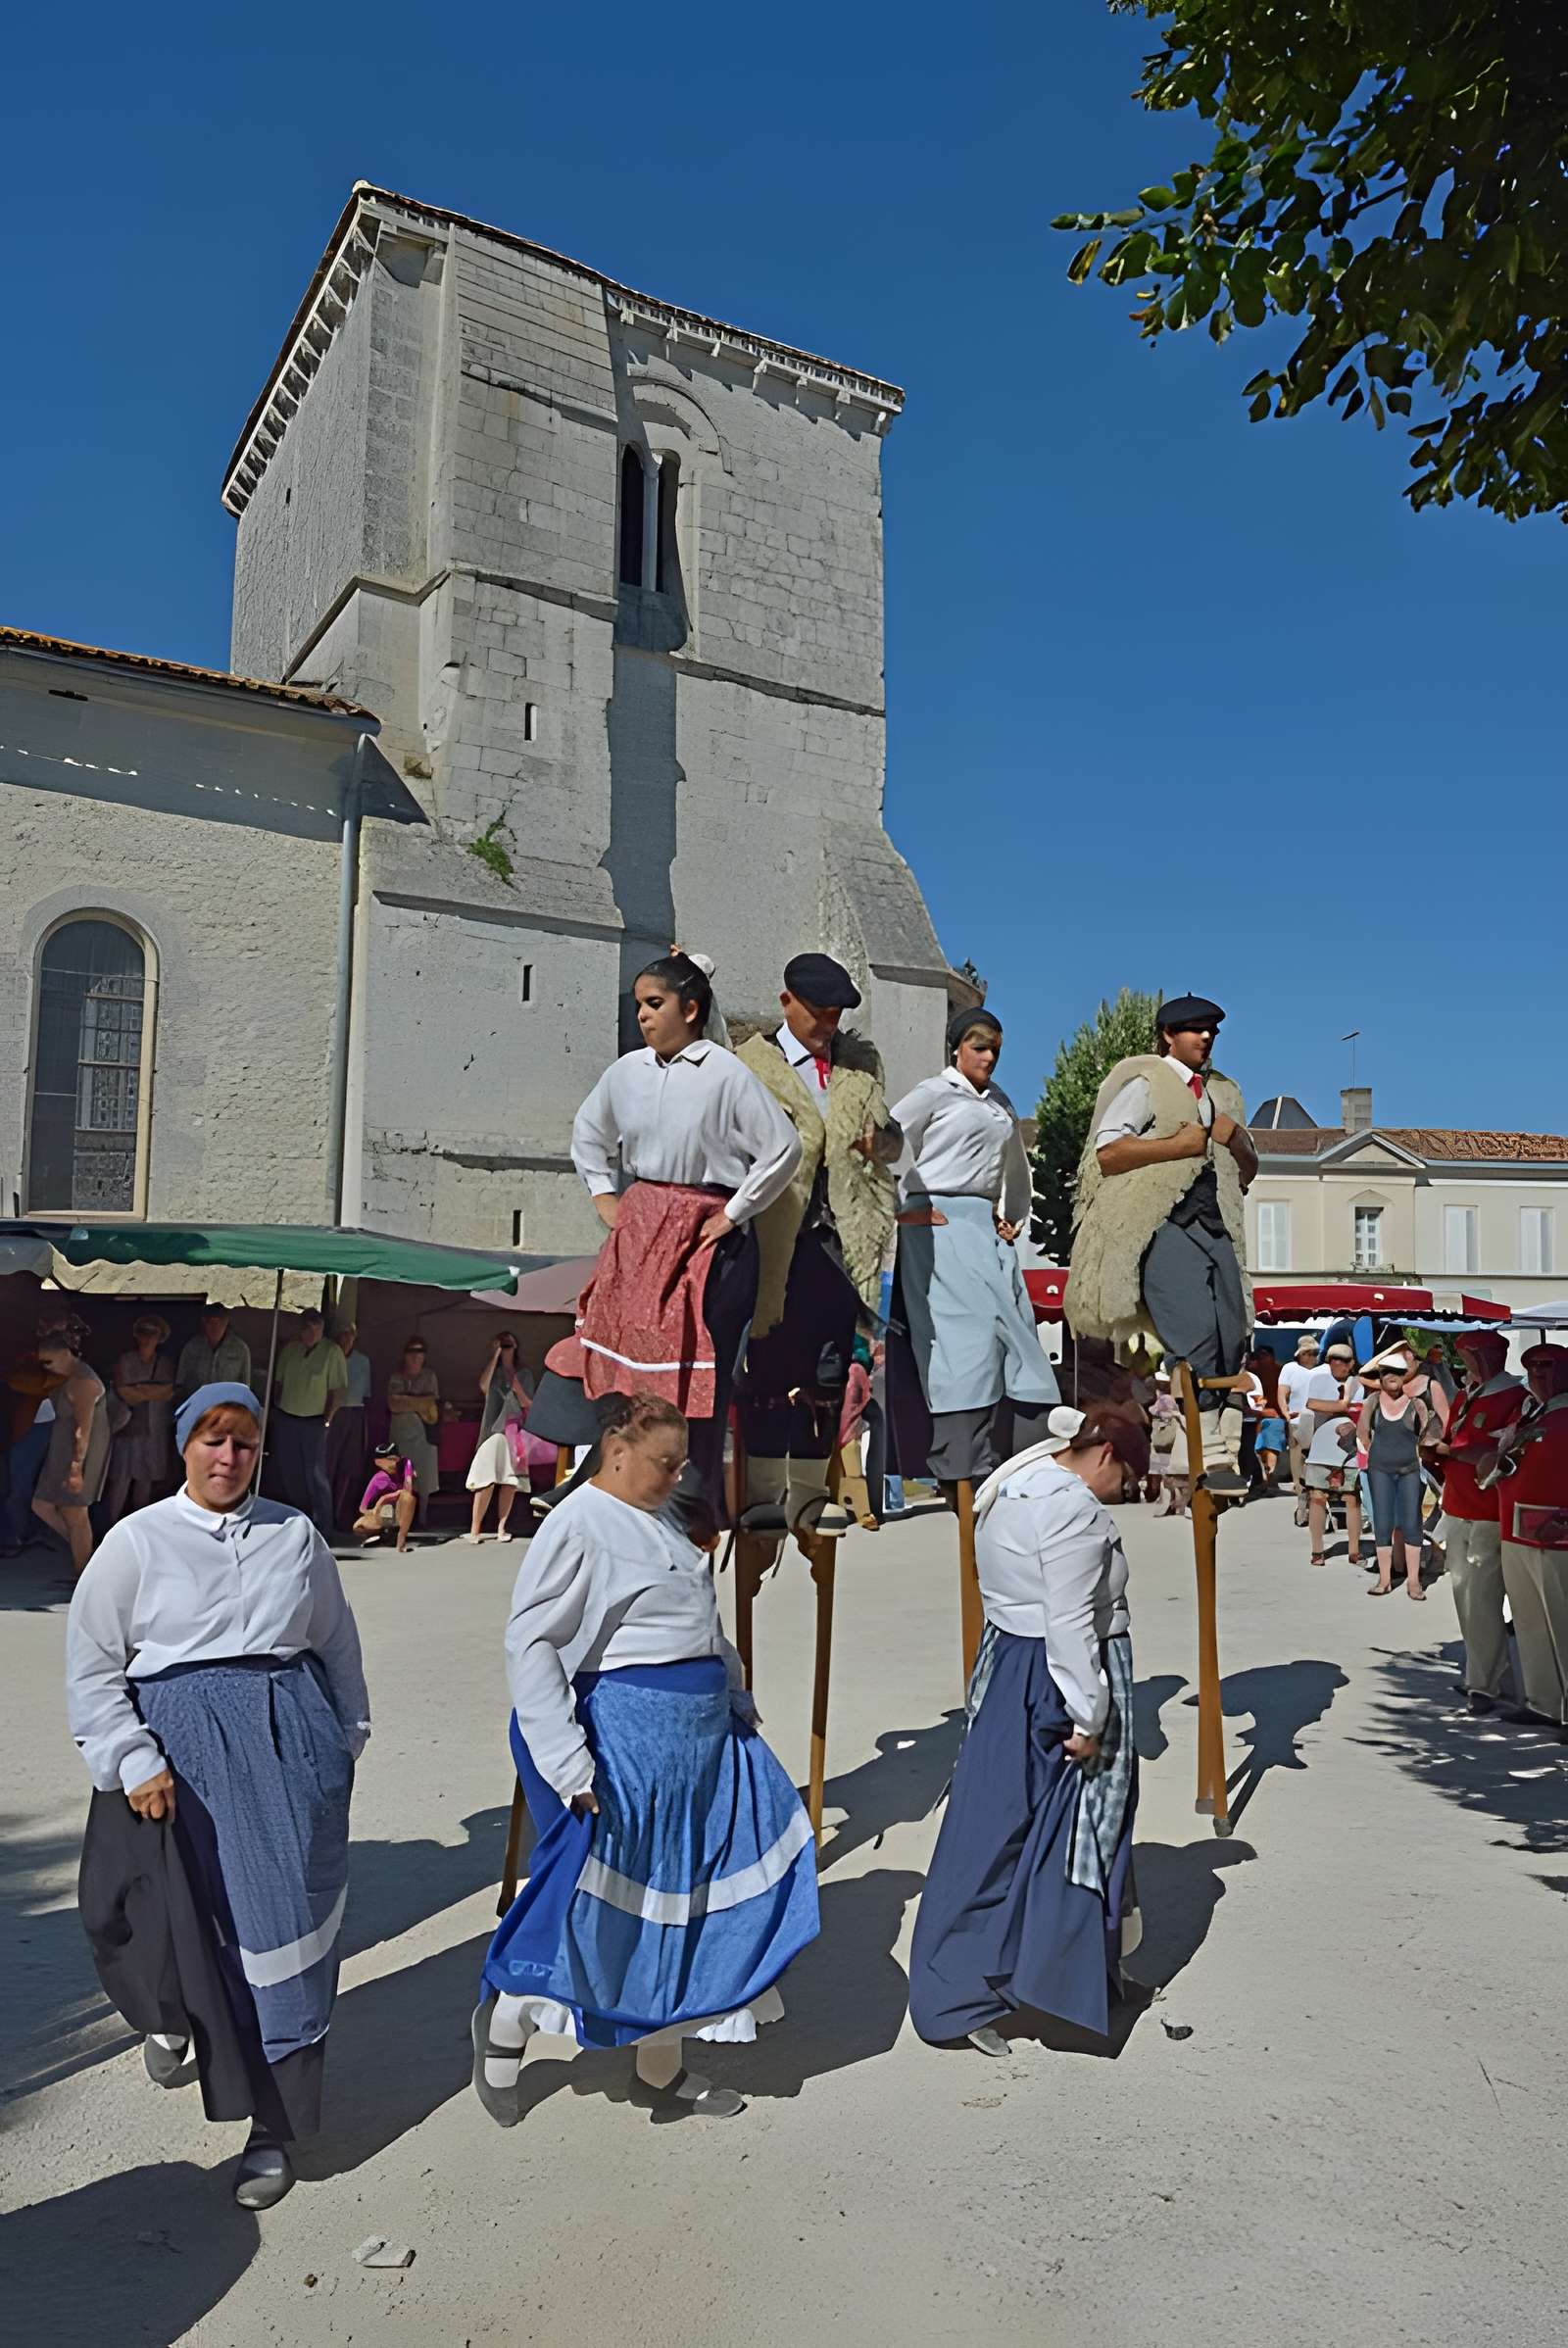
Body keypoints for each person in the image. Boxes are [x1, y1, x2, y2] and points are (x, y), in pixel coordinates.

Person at [473, 1393, 819, 2125]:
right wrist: (569, 1765)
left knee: (683, 1903)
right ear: (617, 1449)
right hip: (622, 1748)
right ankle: (504, 2030)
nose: (676, 1475)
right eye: (665, 1462)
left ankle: (660, 2070)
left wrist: (732, 1689)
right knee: (584, 1900)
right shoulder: (578, 1524)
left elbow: (701, 1623)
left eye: (682, 1463)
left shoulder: (656, 1518)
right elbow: (530, 1644)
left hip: (696, 1744)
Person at [67, 1382, 368, 2208]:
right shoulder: (136, 1543)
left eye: (242, 1442)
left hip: (288, 1751)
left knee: (280, 1941)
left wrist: (348, 1739)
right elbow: (93, 1667)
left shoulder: (295, 1534)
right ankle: (172, 2021)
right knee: (155, 1922)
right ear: (182, 1446)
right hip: (176, 1760)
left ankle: (272, 2125)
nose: (228, 1457)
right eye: (211, 1440)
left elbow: (335, 1641)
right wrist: (133, 1758)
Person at [907, 1405, 1150, 2052]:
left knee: (992, 1826)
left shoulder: (1013, 1484)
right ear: (1105, 1456)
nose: (1123, 1494)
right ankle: (1030, 1984)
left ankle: (974, 1988)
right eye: (1125, 1478)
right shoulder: (1071, 1510)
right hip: (1063, 1671)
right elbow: (1070, 1622)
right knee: (1079, 1834)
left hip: (1008, 1663)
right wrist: (1090, 1714)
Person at [551, 953, 801, 1538]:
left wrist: (737, 1211)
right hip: (641, 1232)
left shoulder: (724, 1072)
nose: (642, 1015)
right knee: (617, 1359)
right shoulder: (627, 1072)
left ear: (691, 1009)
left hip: (705, 1238)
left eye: (654, 1003)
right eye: (639, 1004)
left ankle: (690, 1501)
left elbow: (781, 1148)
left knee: (694, 1369)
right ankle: (609, 1478)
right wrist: (604, 1196)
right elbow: (588, 1134)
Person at [731, 952, 901, 1539]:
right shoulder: (749, 1065)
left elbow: (892, 1140)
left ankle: (809, 1497)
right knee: (771, 1371)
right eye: (818, 1014)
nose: (828, 1025)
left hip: (841, 1242)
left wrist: (884, 1142)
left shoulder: (858, 1068)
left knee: (830, 1375)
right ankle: (762, 1497)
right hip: (778, 1238)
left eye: (835, 1015)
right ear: (787, 1003)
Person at [1068, 996, 1255, 1492]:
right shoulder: (1146, 1082)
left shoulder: (1221, 1093)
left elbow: (1248, 1173)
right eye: (1194, 1030)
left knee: (1232, 1335)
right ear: (1168, 1035)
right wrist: (1177, 1146)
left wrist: (1234, 1139)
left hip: (1216, 1225)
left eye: (1211, 1030)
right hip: (1164, 1222)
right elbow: (1106, 1153)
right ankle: (1205, 1450)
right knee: (1192, 1336)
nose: (1206, 1038)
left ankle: (1220, 1446)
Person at [890, 1006, 1059, 1490]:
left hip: (985, 1228)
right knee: (962, 1344)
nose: (989, 1057)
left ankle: (1026, 1457)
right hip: (937, 1225)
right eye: (980, 1046)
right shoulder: (933, 1092)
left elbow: (1015, 1166)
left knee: (1017, 1334)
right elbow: (882, 1140)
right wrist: (900, 1207)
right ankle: (961, 1466)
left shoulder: (999, 1101)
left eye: (996, 1050)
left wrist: (1013, 1216)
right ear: (957, 1047)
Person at [1434, 1329, 1526, 1715]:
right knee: (1467, 1598)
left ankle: (1485, 1686)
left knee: (1482, 1601)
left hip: (1487, 1511)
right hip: (1459, 1506)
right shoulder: (1467, 1394)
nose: (1464, 1364)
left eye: (1468, 1357)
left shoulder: (1514, 1397)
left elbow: (1504, 1451)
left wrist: (1450, 1450)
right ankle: (1484, 1676)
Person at [1495, 1344, 1568, 1740]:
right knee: (1530, 1622)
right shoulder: (1530, 1414)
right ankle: (1545, 1703)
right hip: (1517, 1528)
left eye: (1548, 1366)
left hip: (1558, 1534)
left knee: (1564, 1622)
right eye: (1533, 1366)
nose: (1538, 1373)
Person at [30, 1319, 112, 1575]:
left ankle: (85, 1571)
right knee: (41, 1505)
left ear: (66, 1355)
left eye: (49, 1362)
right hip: (61, 1449)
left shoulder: (82, 1381)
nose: (46, 1368)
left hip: (79, 1453)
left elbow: (83, 1428)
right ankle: (92, 1558)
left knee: (76, 1515)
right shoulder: (65, 1376)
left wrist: (77, 1468)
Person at [1361, 1354, 1437, 1599]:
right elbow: (1363, 1432)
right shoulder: (1372, 1401)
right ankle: (1384, 1579)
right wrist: (1372, 1452)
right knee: (1382, 1522)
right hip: (1380, 1469)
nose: (1390, 1376)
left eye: (1396, 1371)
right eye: (1385, 1372)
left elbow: (1428, 1434)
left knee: (1412, 1523)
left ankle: (1413, 1582)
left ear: (1405, 1375)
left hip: (1409, 1470)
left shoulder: (1416, 1404)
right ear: (1380, 1377)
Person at [270, 1308, 348, 1536]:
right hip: (287, 1418)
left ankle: (324, 1526)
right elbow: (278, 1383)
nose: (312, 1332)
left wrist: (327, 1419)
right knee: (290, 1472)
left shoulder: (332, 1352)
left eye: (317, 1328)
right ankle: (299, 1520)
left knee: (315, 1474)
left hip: (315, 1421)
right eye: (308, 1328)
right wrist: (276, 1410)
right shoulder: (291, 1350)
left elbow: (338, 1390)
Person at [0, 1321, 70, 1555]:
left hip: (33, 1425)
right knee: (18, 1482)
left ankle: (18, 1535)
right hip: (24, 1424)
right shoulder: (23, 1358)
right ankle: (18, 1534)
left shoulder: (41, 1361)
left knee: (21, 1483)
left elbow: (44, 1384)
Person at [105, 1314, 177, 1523]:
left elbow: (168, 1392)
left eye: (152, 1335)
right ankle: (111, 1526)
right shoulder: (125, 1360)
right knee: (121, 1479)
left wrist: (139, 1389)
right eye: (143, 1334)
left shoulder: (165, 1363)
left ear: (159, 1337)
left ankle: (138, 1527)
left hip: (154, 1429)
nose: (147, 1339)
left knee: (145, 1479)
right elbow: (125, 1393)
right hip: (128, 1427)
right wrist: (151, 1391)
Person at [1299, 1341, 1365, 1568]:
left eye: (1346, 1360)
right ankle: (1317, 1550)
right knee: (1317, 1498)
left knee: (1352, 1499)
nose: (1341, 1365)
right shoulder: (1318, 1379)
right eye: (1336, 1360)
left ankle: (1354, 1550)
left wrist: (1344, 1407)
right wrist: (1344, 1404)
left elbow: (1361, 1411)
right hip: (1321, 1447)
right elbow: (1313, 1403)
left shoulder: (1359, 1382)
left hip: (1349, 1450)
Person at [466, 1331, 534, 1543]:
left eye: (509, 1345)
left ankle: (502, 1527)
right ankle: (475, 1529)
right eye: (503, 1345)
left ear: (516, 1348)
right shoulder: (493, 1373)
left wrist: (515, 1381)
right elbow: (483, 1387)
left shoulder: (524, 1374)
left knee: (509, 1481)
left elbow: (527, 1404)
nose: (506, 1348)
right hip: (492, 1432)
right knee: (485, 1480)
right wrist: (495, 1356)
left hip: (514, 1432)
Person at [386, 1338, 441, 1528]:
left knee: (424, 1477)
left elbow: (432, 1402)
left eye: (420, 1352)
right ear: (405, 1355)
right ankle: (402, 1518)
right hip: (401, 1433)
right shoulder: (396, 1376)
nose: (416, 1356)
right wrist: (420, 1403)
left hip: (423, 1433)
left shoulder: (429, 1376)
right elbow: (393, 1404)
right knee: (402, 1476)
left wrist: (407, 1401)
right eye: (412, 1352)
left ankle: (422, 1517)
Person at [325, 1322, 374, 1530]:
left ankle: (342, 1514)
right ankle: (327, 1514)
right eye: (342, 1335)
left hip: (355, 1412)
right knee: (329, 1464)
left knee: (350, 1466)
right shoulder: (330, 1357)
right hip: (334, 1412)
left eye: (350, 1335)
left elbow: (365, 1394)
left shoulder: (362, 1361)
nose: (346, 1339)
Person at [1277, 1336, 1322, 1526]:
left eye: (1316, 1353)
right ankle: (1301, 1501)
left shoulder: (1322, 1370)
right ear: (1302, 1354)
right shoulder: (1289, 1369)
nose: (1314, 1357)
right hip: (1298, 1420)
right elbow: (1282, 1392)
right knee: (1298, 1463)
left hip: (1318, 1420)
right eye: (1311, 1354)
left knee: (1316, 1464)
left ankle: (1314, 1503)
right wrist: (1286, 1414)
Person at [174, 1304, 252, 1403]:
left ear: (226, 1322)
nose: (214, 1327)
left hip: (226, 1408)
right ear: (204, 1322)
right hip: (197, 1407)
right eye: (210, 1322)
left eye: (219, 1322)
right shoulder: (192, 1347)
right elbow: (180, 1382)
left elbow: (245, 1387)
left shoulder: (240, 1349)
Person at [354, 1441, 417, 1551]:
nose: (393, 1462)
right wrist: (374, 1511)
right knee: (358, 1526)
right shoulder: (378, 1478)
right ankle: (384, 1534)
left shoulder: (406, 1464)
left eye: (394, 1459)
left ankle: (400, 1538)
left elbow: (408, 1489)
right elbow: (362, 1508)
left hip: (403, 1511)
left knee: (407, 1497)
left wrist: (385, 1498)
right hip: (385, 1515)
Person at [1248, 1347, 1288, 1492]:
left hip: (1273, 1417)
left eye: (1265, 1356)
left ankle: (1269, 1476)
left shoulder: (1280, 1372)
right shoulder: (1251, 1374)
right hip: (1254, 1415)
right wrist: (1262, 1411)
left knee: (1271, 1428)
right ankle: (1263, 1476)